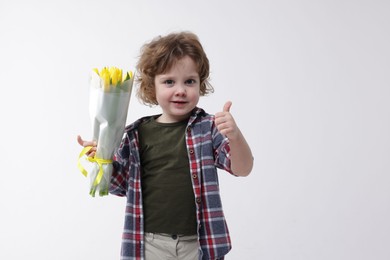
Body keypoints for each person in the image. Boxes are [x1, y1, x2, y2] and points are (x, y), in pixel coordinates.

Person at [77, 31, 253, 260]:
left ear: (200, 84)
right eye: (169, 81)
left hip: (199, 244)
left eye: (189, 81)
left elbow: (243, 168)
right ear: (153, 87)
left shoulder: (208, 128)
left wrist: (235, 136)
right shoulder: (136, 133)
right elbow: (120, 186)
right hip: (149, 243)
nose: (180, 90)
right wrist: (102, 156)